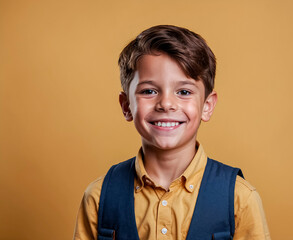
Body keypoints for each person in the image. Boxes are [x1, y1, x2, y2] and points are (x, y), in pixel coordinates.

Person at [73, 25, 271, 240]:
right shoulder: (99, 197)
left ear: (207, 105)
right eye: (149, 91)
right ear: (126, 105)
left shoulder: (239, 198)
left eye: (184, 92)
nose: (166, 104)